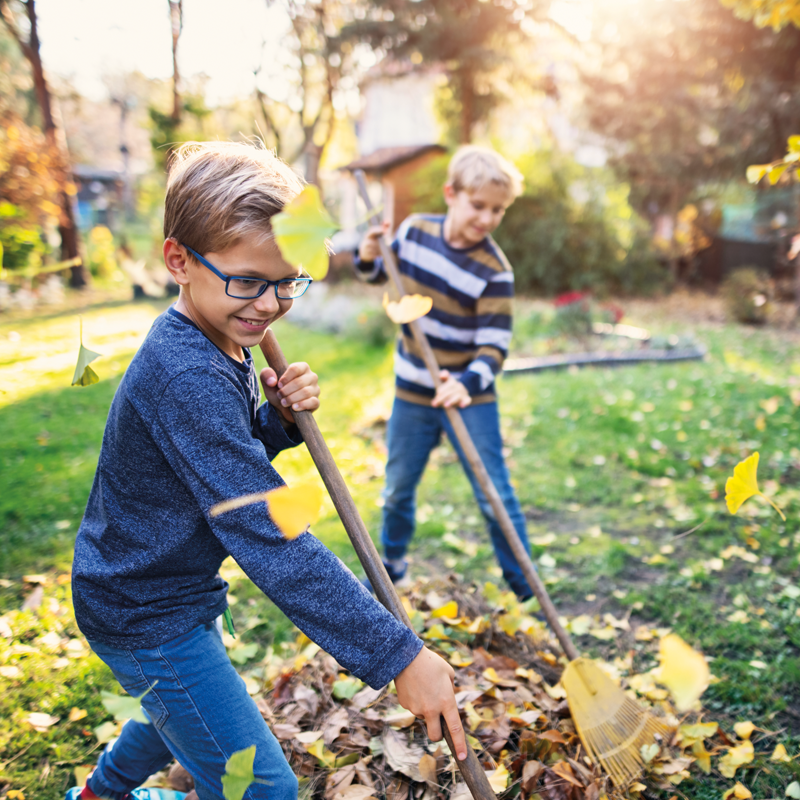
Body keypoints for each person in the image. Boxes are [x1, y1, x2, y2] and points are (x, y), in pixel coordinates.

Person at [67, 141, 466, 800]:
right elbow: (266, 531)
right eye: (248, 281)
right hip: (144, 608)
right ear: (178, 261)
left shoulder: (219, 337)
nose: (271, 304)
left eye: (288, 282)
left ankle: (98, 795)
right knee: (266, 791)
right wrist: (397, 654)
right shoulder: (188, 371)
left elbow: (213, 461)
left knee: (174, 707)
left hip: (167, 590)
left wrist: (275, 422)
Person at [355, 145, 533, 600]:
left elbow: (495, 347)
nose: (488, 218)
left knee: (494, 493)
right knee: (397, 487)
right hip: (413, 390)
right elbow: (383, 278)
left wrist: (466, 383)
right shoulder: (415, 233)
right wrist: (371, 254)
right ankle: (390, 568)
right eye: (479, 206)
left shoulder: (495, 272)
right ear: (450, 193)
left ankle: (525, 584)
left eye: (498, 210)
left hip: (469, 393)